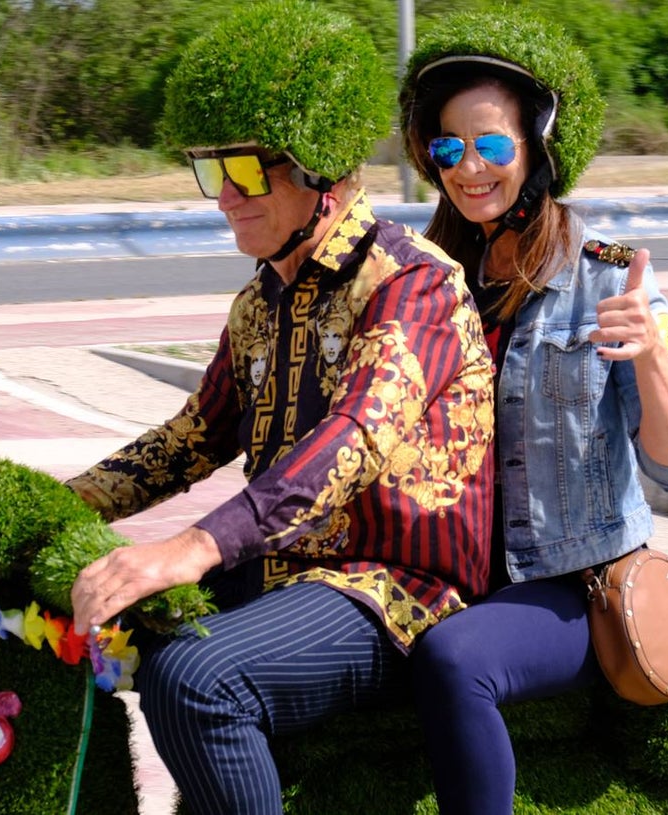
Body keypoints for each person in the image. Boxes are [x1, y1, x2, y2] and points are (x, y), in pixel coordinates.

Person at [66, 2, 495, 812]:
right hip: (286, 573)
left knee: (195, 675)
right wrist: (58, 504)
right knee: (101, 621)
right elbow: (193, 437)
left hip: (394, 592)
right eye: (210, 172)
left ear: (323, 170)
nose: (224, 196)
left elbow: (354, 439)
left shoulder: (413, 285)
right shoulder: (261, 302)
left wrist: (193, 546)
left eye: (247, 171)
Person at [397, 10, 668, 814]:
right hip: (450, 570)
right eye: (449, 147)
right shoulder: (426, 278)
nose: (470, 167)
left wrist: (647, 349)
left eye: (493, 144)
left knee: (453, 660)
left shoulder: (610, 278)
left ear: (538, 149)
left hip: (571, 585)